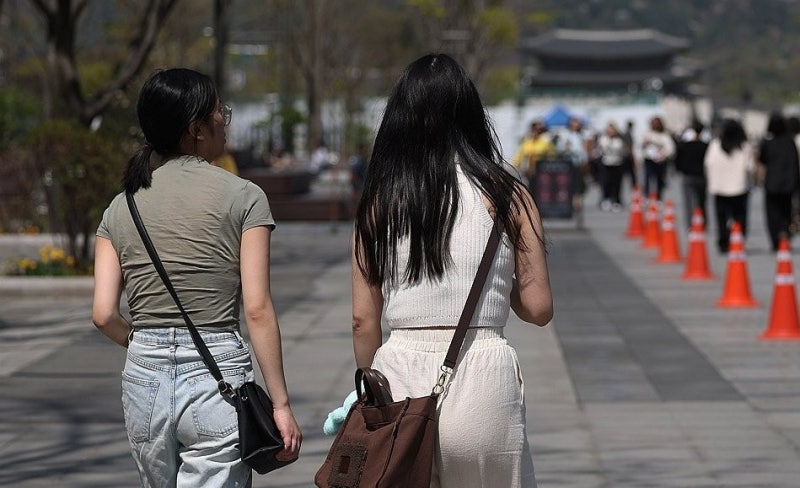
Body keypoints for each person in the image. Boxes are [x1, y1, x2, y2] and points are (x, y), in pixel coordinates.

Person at [92, 68, 301, 487]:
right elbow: (257, 308)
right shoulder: (243, 196)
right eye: (219, 111)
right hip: (217, 374)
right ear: (195, 129)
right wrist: (279, 402)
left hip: (143, 376)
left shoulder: (121, 205)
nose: (224, 119)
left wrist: (147, 345)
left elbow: (102, 314)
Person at [351, 54, 553, 488]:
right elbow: (538, 308)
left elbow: (363, 319)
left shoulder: (380, 200)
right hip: (483, 376)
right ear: (470, 115)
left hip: (399, 377)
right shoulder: (509, 195)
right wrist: (498, 284)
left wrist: (372, 396)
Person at [704, 118, 755, 253]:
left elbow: (708, 163)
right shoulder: (744, 147)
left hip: (719, 187)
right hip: (739, 187)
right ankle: (738, 239)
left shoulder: (715, 145)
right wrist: (751, 182)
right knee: (739, 216)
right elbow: (750, 167)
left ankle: (723, 241)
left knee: (721, 216)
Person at [758, 112, 800, 251]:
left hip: (772, 183)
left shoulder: (768, 143)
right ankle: (785, 235)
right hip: (788, 183)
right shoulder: (790, 142)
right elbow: (795, 162)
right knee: (786, 211)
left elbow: (762, 159)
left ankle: (775, 239)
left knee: (772, 212)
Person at [675, 120, 709, 228]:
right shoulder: (705, 146)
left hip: (688, 175)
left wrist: (680, 169)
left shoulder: (685, 146)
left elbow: (678, 159)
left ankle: (690, 223)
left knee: (688, 201)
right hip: (701, 176)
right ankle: (703, 221)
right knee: (702, 200)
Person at [641, 115, 676, 200]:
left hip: (661, 160)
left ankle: (659, 197)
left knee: (660, 179)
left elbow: (670, 148)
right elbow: (641, 145)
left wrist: (664, 154)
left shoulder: (664, 135)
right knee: (648, 177)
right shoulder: (647, 133)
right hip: (649, 159)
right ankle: (647, 196)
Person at [511, 119, 555, 183]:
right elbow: (519, 155)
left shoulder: (545, 142)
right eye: (533, 130)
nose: (534, 132)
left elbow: (552, 155)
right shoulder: (526, 142)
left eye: (537, 130)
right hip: (527, 171)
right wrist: (514, 164)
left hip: (541, 171)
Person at [597, 122, 626, 211]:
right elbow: (600, 150)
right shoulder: (603, 139)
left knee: (617, 184)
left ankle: (616, 201)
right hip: (606, 163)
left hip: (617, 164)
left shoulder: (619, 140)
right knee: (606, 183)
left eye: (613, 130)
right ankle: (606, 199)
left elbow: (622, 151)